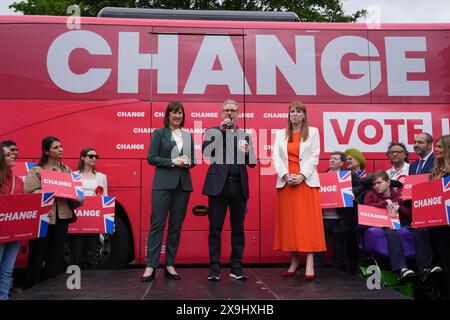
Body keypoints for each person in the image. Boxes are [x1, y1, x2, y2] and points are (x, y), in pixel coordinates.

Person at [202, 99, 256, 281]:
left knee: (238, 230)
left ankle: (236, 267)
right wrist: (221, 132)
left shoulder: (244, 135)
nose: (229, 113)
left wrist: (249, 153)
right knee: (215, 229)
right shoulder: (213, 132)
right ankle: (214, 269)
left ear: (238, 113)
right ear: (221, 112)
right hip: (218, 187)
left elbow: (253, 163)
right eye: (226, 110)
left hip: (238, 187)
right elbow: (206, 152)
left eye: (233, 110)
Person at [141, 102, 195, 282]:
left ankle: (170, 264)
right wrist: (173, 162)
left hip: (183, 186)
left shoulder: (188, 136)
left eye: (180, 113)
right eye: (174, 113)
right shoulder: (159, 133)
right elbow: (151, 158)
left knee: (175, 227)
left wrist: (188, 162)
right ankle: (151, 265)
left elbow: (193, 160)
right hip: (162, 185)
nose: (177, 116)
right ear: (168, 116)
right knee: (157, 225)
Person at [273, 101, 325, 281]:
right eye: (292, 112)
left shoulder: (314, 132)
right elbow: (276, 157)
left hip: (306, 182)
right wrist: (285, 175)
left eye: (298, 112)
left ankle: (309, 263)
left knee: (307, 223)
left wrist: (302, 175)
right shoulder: (280, 134)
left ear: (304, 115)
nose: (294, 114)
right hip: (286, 183)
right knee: (291, 224)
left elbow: (314, 157)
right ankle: (294, 262)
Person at [24, 136, 81, 288]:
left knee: (55, 255)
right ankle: (32, 288)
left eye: (61, 146)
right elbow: (27, 194)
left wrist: (77, 199)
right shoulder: (36, 170)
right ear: (46, 151)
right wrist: (46, 190)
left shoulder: (66, 170)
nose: (60, 150)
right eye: (56, 147)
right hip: (42, 219)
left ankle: (48, 288)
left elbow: (75, 197)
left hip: (62, 218)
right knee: (37, 255)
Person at [363, 170, 439, 280]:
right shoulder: (370, 194)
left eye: (379, 183)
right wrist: (385, 203)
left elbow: (410, 214)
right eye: (374, 184)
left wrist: (399, 208)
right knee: (392, 232)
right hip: (381, 224)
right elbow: (367, 208)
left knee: (422, 230)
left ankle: (425, 268)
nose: (376, 186)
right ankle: (401, 268)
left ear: (388, 182)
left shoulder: (398, 195)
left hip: (401, 223)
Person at [69, 147, 108, 269]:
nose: (94, 158)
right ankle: (75, 281)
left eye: (96, 156)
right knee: (76, 251)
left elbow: (104, 198)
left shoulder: (101, 177)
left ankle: (88, 281)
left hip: (93, 217)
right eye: (91, 156)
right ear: (82, 157)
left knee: (91, 251)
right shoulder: (73, 175)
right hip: (77, 217)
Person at [314, 151, 348, 271]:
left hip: (339, 220)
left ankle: (337, 273)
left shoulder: (346, 176)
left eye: (335, 159)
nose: (332, 160)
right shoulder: (321, 176)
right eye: (331, 158)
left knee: (338, 249)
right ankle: (316, 271)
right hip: (322, 219)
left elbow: (359, 187)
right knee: (319, 249)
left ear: (342, 162)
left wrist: (351, 192)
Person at [0, 143, 24, 300]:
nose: (14, 155)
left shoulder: (18, 180)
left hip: (13, 231)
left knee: (8, 270)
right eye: (9, 154)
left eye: (14, 153)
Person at [428, 135, 450, 299]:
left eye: (440, 147)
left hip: (447, 226)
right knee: (440, 264)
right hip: (435, 226)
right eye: (436, 146)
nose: (436, 150)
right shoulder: (435, 172)